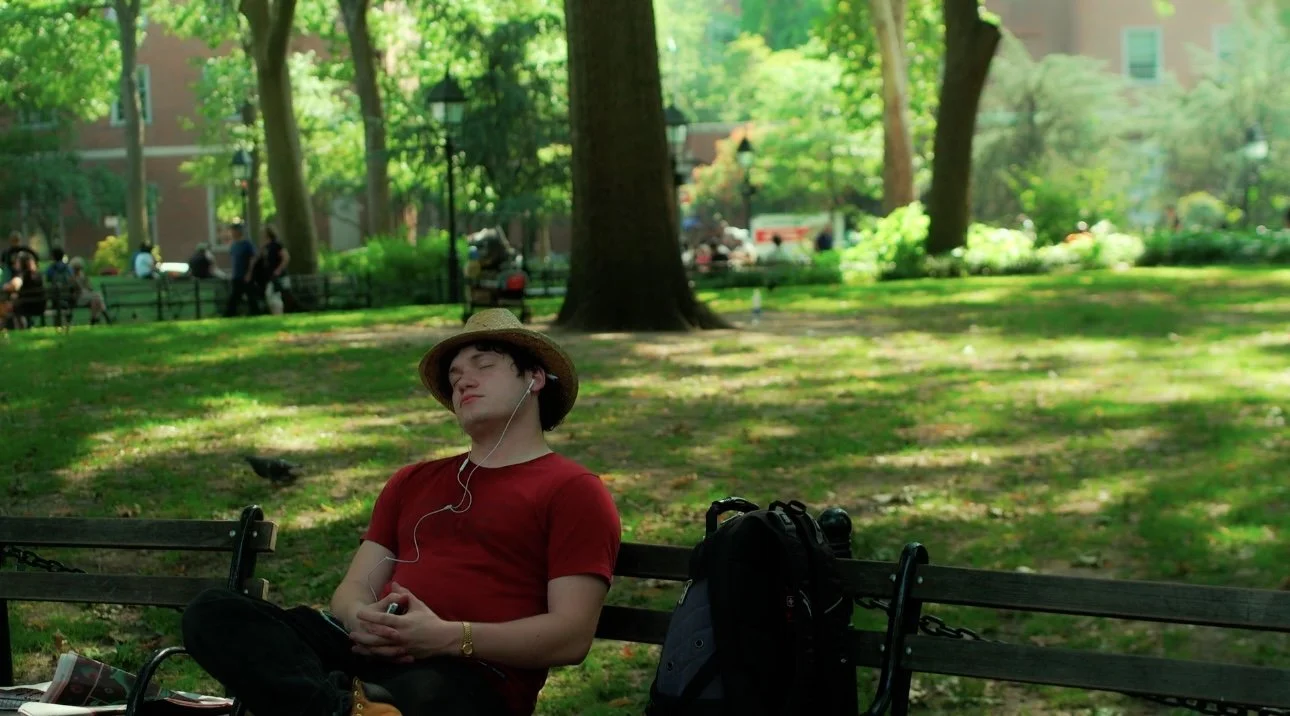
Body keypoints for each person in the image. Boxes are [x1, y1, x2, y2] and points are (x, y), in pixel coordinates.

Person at [180, 308, 622, 716]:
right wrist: (361, 619)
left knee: (419, 695)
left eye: (484, 365)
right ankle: (347, 708)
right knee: (213, 612)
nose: (463, 382)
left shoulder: (573, 490)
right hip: (367, 654)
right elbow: (354, 588)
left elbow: (570, 635)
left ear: (535, 378)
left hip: (468, 675)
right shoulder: (413, 481)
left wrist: (449, 637)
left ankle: (353, 705)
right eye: (454, 376)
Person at [223, 223, 260, 317]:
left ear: (238, 232)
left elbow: (253, 259)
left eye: (233, 231)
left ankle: (256, 313)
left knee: (250, 296)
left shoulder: (247, 244)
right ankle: (229, 314)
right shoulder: (233, 245)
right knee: (235, 296)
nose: (232, 233)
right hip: (236, 275)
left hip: (245, 275)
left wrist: (249, 273)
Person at [2, 254, 45, 329]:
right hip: (40, 305)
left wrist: (5, 286)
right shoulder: (38, 275)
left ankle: (6, 327)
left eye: (17, 262)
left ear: (22, 264)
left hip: (26, 306)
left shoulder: (23, 275)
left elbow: (14, 285)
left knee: (5, 305)